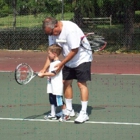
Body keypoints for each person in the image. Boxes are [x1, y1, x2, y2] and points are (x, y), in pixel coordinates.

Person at [40, 17, 93, 124]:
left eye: (52, 33)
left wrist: (61, 64)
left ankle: (84, 113)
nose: (51, 36)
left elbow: (75, 50)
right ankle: (69, 110)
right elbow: (51, 53)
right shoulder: (52, 33)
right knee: (66, 83)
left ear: (56, 26)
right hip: (67, 60)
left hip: (82, 58)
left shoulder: (70, 29)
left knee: (81, 83)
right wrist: (44, 69)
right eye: (49, 34)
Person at [38, 44, 66, 120]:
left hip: (57, 85)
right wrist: (45, 74)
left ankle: (65, 114)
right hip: (51, 85)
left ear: (54, 54)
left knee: (59, 100)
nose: (48, 56)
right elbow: (50, 74)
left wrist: (44, 74)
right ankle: (53, 114)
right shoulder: (52, 63)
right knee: (51, 99)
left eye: (49, 54)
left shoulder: (58, 63)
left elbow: (53, 73)